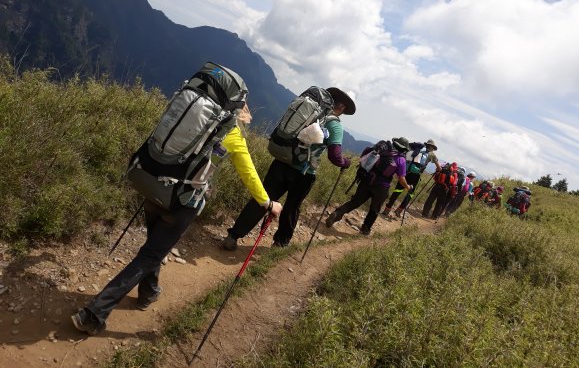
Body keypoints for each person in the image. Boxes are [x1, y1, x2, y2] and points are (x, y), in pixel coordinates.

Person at [71, 92, 283, 336]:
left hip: (154, 184)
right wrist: (268, 204)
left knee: (153, 248)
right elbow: (249, 174)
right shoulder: (231, 132)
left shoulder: (191, 117)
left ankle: (148, 293)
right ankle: (94, 313)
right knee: (151, 254)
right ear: (239, 113)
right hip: (182, 202)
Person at [222, 87, 355, 250]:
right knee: (292, 207)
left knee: (263, 199)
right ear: (341, 108)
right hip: (303, 172)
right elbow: (335, 156)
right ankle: (280, 243)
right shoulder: (335, 125)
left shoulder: (309, 111)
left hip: (282, 160)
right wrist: (345, 163)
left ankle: (233, 235)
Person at [325, 137, 412, 235]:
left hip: (367, 180)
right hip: (382, 187)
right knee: (374, 209)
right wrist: (408, 187)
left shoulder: (382, 151)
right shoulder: (401, 159)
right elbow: (401, 179)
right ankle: (365, 230)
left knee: (355, 202)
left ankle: (337, 213)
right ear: (404, 149)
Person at [381, 139, 440, 217]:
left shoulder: (416, 148)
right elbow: (439, 168)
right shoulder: (431, 154)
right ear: (432, 147)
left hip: (405, 171)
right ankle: (399, 210)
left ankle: (387, 209)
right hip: (415, 175)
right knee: (411, 193)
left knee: (398, 190)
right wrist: (438, 170)